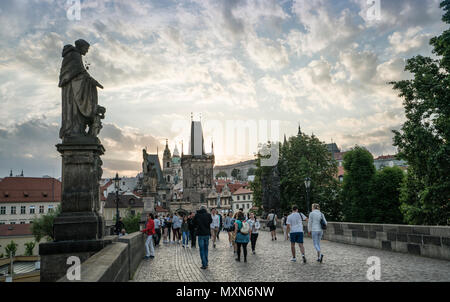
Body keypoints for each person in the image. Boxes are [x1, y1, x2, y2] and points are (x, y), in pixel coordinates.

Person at [193, 205, 213, 269]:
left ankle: (204, 264)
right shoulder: (208, 215)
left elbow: (194, 223)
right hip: (207, 234)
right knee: (206, 249)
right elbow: (210, 221)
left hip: (200, 234)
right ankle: (206, 263)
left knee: (201, 249)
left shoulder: (197, 215)